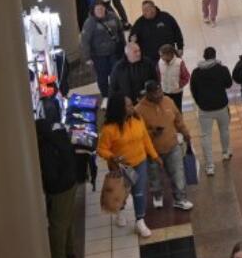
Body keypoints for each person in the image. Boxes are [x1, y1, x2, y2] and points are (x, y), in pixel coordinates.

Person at [97, 94, 160, 237]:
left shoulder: (137, 120)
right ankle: (120, 211)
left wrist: (154, 156)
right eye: (129, 105)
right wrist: (112, 157)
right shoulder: (109, 129)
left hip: (140, 162)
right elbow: (101, 149)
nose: (133, 107)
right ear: (120, 109)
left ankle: (140, 221)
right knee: (122, 193)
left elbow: (145, 139)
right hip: (121, 167)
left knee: (139, 192)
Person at [135, 80, 194, 211]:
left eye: (160, 91)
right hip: (152, 151)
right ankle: (157, 195)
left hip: (172, 145)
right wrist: (152, 133)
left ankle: (180, 199)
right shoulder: (139, 110)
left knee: (178, 173)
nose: (160, 94)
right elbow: (138, 134)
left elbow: (178, 119)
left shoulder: (168, 101)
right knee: (154, 177)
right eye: (156, 93)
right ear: (148, 94)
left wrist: (185, 133)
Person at [36, 110, 79, 258]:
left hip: (59, 189)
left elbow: (50, 174)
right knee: (67, 219)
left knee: (57, 224)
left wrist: (47, 186)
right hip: (71, 182)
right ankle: (70, 250)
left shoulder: (46, 148)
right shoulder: (59, 136)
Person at [189, 46, 233, 176]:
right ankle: (225, 152)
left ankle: (210, 166)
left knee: (205, 136)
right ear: (215, 56)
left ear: (204, 57)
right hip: (221, 106)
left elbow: (193, 90)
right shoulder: (222, 69)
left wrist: (200, 102)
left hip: (205, 109)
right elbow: (229, 84)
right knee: (224, 130)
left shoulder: (196, 72)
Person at [81, 0, 126, 96]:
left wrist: (124, 46)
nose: (100, 11)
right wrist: (87, 57)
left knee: (117, 73)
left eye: (102, 8)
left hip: (114, 52)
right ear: (93, 10)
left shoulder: (113, 16)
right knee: (102, 77)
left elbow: (120, 31)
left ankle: (118, 93)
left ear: (105, 8)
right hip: (99, 56)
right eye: (98, 9)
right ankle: (105, 95)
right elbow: (85, 41)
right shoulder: (90, 23)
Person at [156, 43, 189, 109]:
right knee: (167, 110)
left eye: (162, 55)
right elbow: (158, 76)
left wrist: (178, 85)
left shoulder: (179, 63)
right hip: (165, 92)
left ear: (169, 54)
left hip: (177, 93)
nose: (161, 57)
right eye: (160, 56)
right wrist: (160, 86)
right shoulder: (160, 62)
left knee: (177, 109)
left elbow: (186, 77)